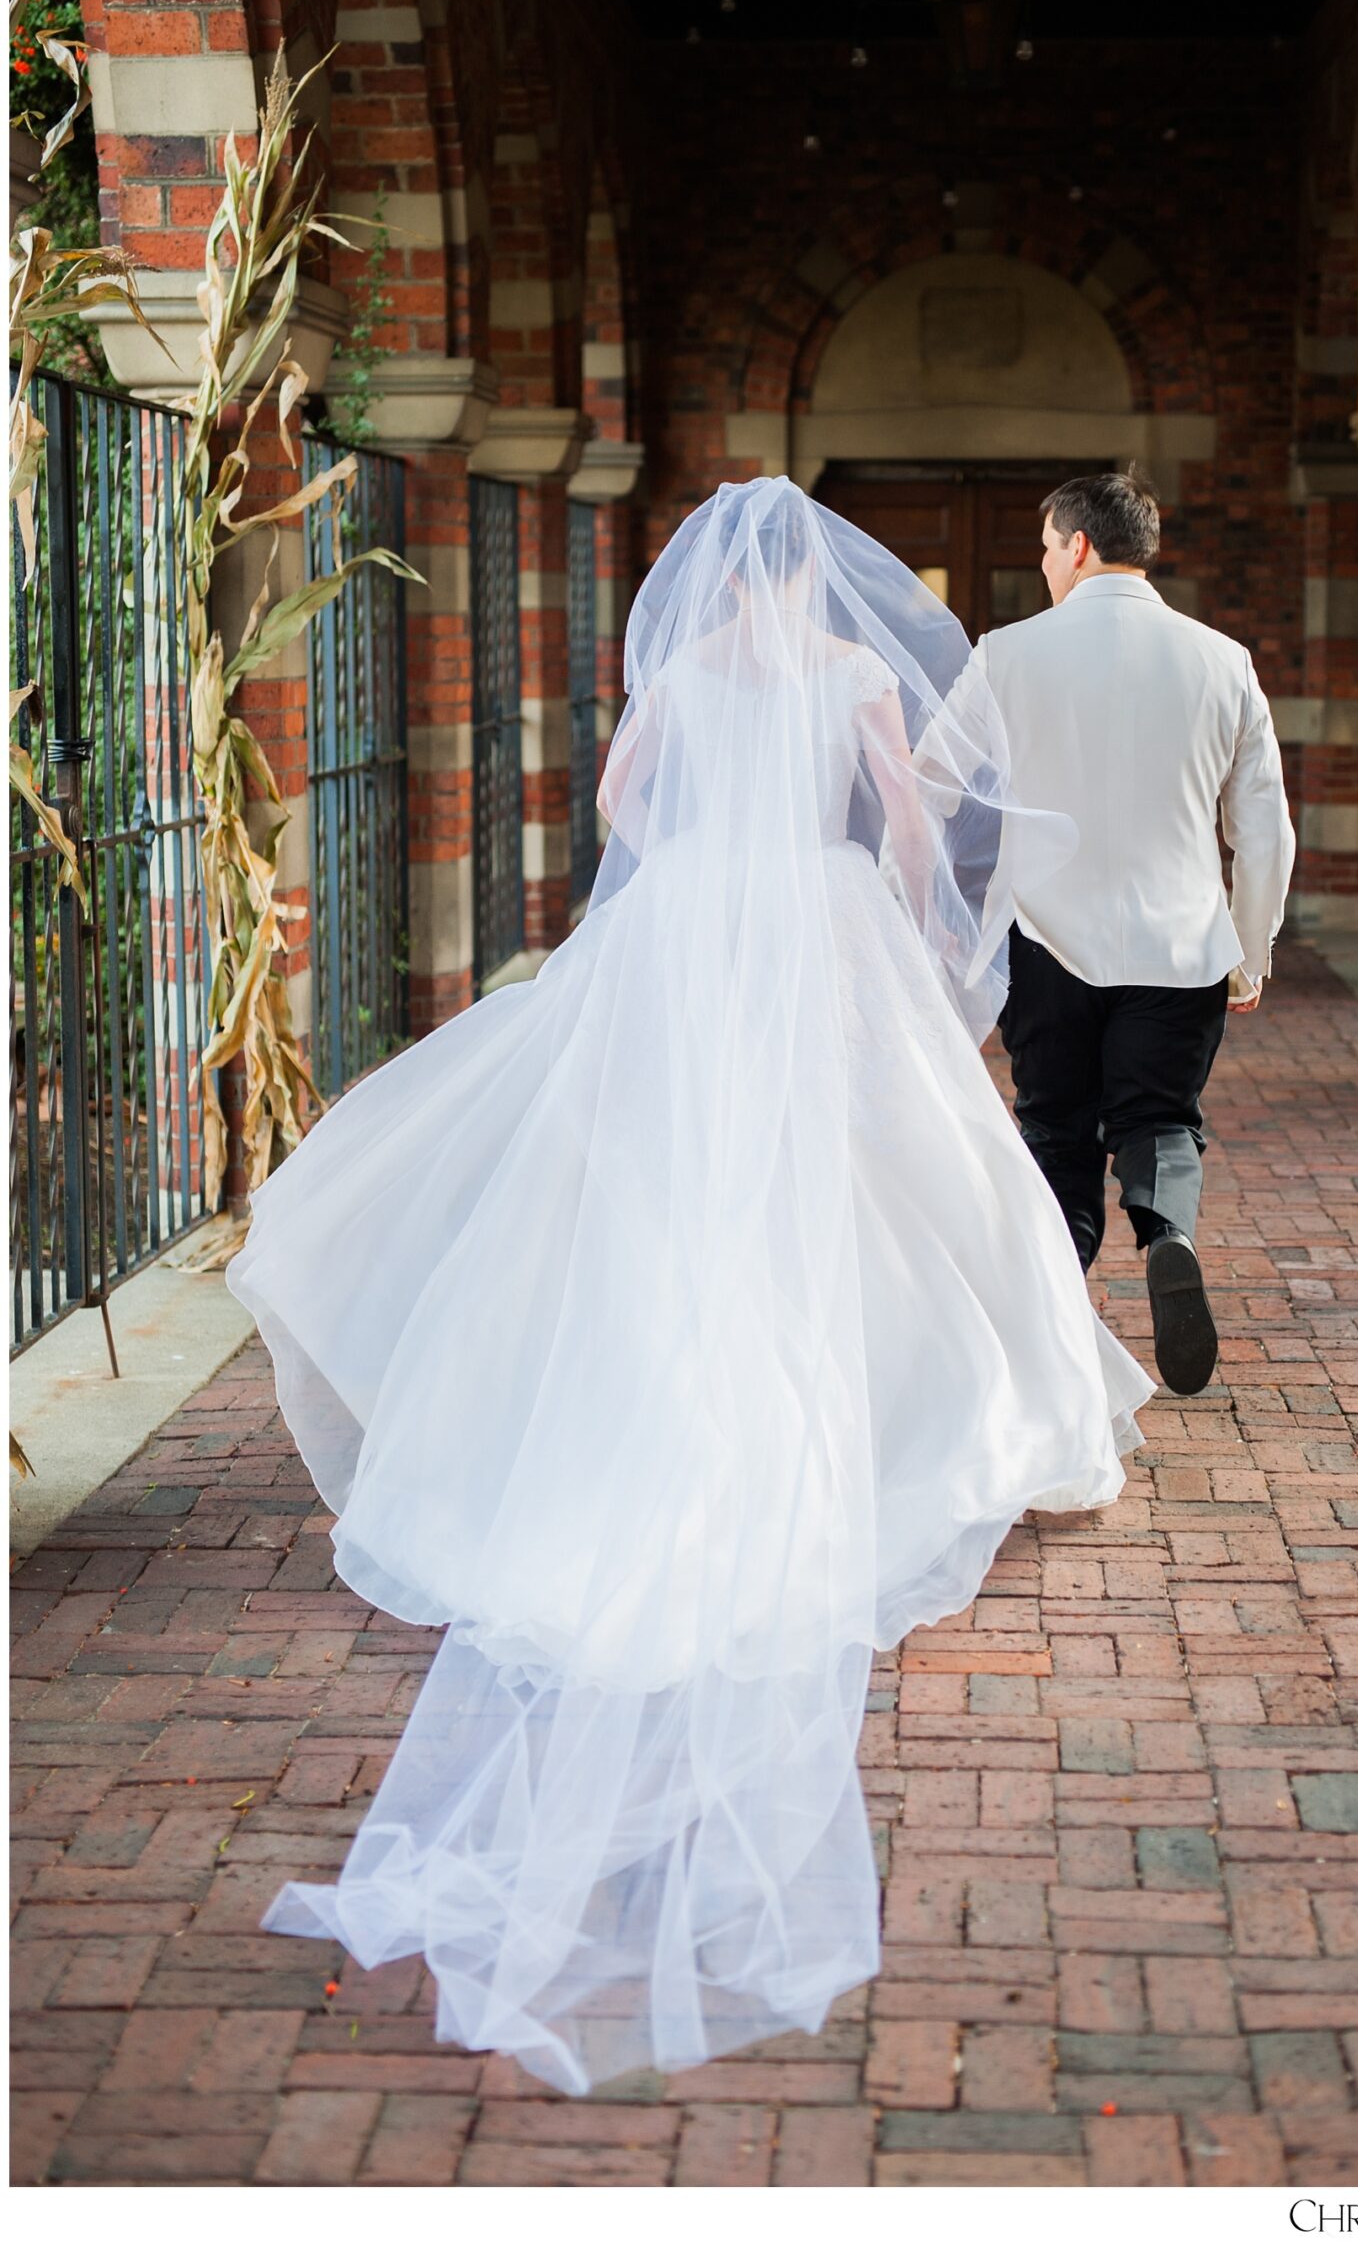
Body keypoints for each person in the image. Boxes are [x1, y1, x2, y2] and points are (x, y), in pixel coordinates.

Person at [226, 476, 1153, 2095]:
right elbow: (916, 827)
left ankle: (641, 1410)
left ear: (713, 583)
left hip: (691, 940)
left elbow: (625, 817)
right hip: (822, 930)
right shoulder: (860, 679)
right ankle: (951, 1413)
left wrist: (705, 871)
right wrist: (890, 910)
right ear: (821, 582)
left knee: (655, 1188)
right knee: (878, 1181)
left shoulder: (678, 676)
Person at [922, 469, 1295, 1396]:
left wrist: (950, 913)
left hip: (1047, 943)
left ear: (1078, 546)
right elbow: (1265, 830)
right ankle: (1166, 1238)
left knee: (1056, 1132)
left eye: (1047, 547)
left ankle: (1054, 1323)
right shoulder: (1224, 661)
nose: (1045, 564)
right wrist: (1249, 951)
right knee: (1161, 1121)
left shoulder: (1005, 655)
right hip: (1180, 947)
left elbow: (931, 788)